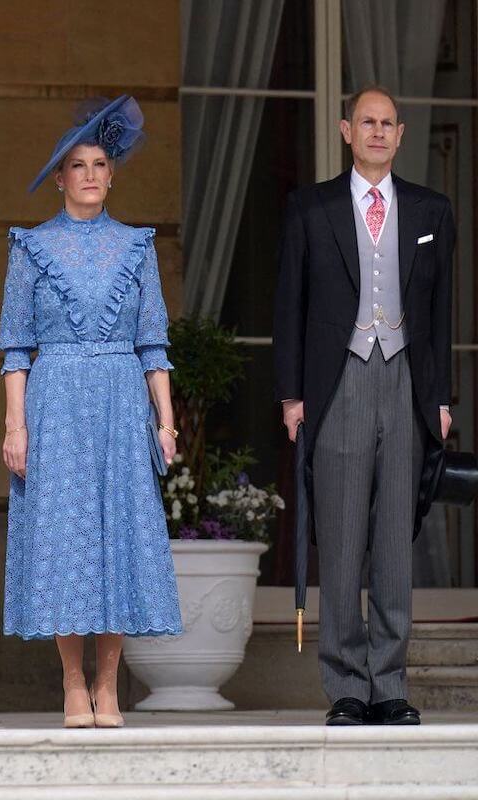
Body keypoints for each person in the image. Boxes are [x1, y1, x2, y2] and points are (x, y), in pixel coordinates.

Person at [0, 96, 182, 728]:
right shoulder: (30, 246)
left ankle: (110, 685)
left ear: (112, 173)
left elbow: (153, 343)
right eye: (78, 165)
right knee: (63, 541)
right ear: (60, 177)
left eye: (100, 163)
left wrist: (165, 421)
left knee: (119, 537)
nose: (91, 175)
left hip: (120, 399)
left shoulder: (137, 245)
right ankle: (73, 683)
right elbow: (15, 348)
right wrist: (14, 425)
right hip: (55, 404)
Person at [274, 86, 455, 727]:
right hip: (339, 382)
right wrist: (292, 394)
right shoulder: (311, 207)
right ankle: (347, 685)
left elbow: (440, 314)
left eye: (388, 124)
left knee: (394, 544)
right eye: (366, 122)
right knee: (344, 538)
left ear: (400, 134)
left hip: (405, 381)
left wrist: (440, 398)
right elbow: (290, 307)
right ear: (346, 130)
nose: (377, 132)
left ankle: (391, 683)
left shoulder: (431, 209)